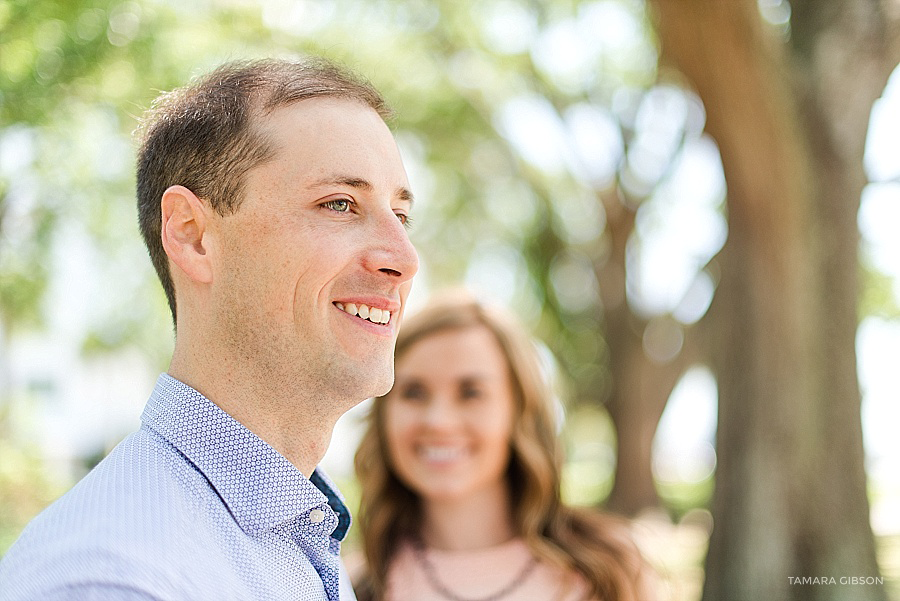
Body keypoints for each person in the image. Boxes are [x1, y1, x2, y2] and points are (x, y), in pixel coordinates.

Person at [0, 57, 418, 600]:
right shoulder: (111, 578)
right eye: (339, 203)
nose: (404, 258)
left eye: (401, 215)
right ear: (193, 235)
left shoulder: (296, 541)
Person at [352, 294, 654, 601]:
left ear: (519, 410)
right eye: (413, 392)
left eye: (471, 392)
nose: (439, 421)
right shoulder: (349, 584)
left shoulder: (611, 571)